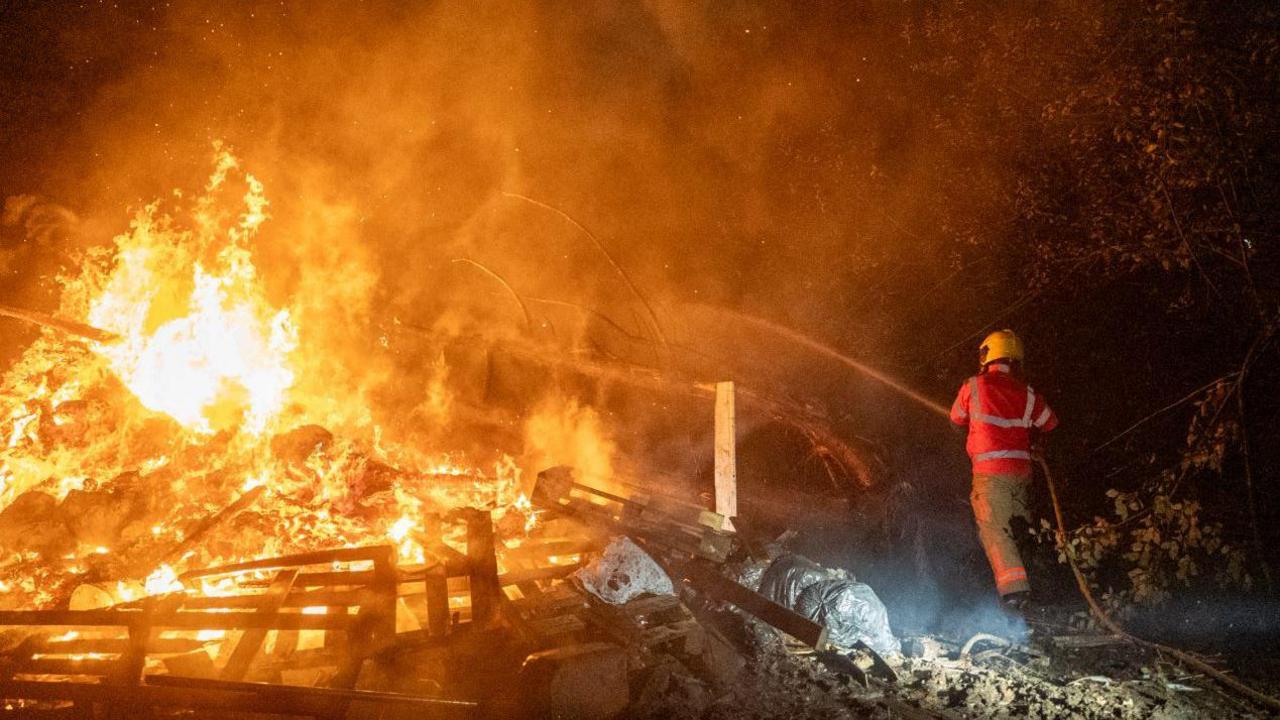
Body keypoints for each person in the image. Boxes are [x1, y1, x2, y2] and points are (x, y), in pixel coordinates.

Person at [949, 329, 1057, 610]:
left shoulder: (973, 386)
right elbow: (1050, 424)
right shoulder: (1028, 393)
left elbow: (955, 418)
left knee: (995, 531)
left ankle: (1015, 596)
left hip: (990, 476)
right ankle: (1043, 589)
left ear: (987, 355)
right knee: (1021, 532)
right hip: (1022, 476)